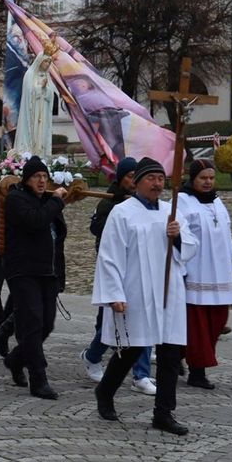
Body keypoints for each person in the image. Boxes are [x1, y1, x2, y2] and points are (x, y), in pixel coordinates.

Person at [92, 157, 199, 436]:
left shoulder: (170, 211)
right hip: (136, 289)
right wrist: (114, 292)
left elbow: (190, 248)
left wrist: (177, 237)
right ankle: (105, 391)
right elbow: (110, 256)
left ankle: (163, 413)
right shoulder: (122, 212)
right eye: (151, 178)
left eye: (161, 179)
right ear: (137, 182)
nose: (157, 184)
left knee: (170, 354)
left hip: (168, 291)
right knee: (131, 348)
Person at [81, 157, 156, 395]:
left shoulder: (148, 203)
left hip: (142, 268)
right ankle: (92, 355)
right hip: (116, 268)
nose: (133, 181)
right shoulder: (110, 202)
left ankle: (141, 375)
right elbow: (97, 229)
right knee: (112, 323)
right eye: (129, 176)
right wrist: (118, 210)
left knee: (145, 321)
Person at [2, 156, 69, 400]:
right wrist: (56, 202)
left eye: (44, 177)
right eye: (36, 177)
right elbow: (36, 221)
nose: (42, 181)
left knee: (47, 324)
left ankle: (16, 359)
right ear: (26, 179)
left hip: (47, 272)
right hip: (23, 270)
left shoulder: (46, 200)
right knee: (31, 323)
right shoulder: (16, 199)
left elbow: (56, 236)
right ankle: (38, 379)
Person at [179, 159, 232, 390]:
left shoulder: (218, 202)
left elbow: (226, 236)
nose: (208, 182)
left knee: (218, 321)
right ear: (193, 179)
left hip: (221, 275)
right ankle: (197, 372)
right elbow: (179, 239)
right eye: (203, 178)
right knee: (198, 327)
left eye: (211, 178)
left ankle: (178, 355)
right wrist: (182, 270)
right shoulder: (181, 202)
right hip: (196, 274)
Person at [15, 52, 55, 159]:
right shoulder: (30, 74)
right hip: (32, 110)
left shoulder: (47, 76)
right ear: (39, 61)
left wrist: (46, 89)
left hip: (44, 110)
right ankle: (29, 153)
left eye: (49, 62)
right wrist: (40, 87)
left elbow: (51, 94)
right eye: (45, 61)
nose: (47, 64)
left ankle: (41, 154)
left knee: (41, 133)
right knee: (33, 132)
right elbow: (28, 93)